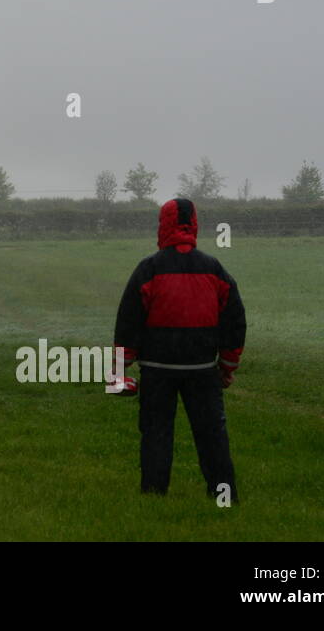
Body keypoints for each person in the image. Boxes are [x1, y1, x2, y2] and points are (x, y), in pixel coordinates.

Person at [112, 198, 246, 503]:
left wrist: (120, 369)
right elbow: (234, 320)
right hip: (202, 369)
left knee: (156, 433)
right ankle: (223, 496)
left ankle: (154, 496)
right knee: (212, 437)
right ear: (195, 225)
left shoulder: (149, 269)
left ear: (163, 225)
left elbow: (128, 321)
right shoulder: (214, 269)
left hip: (157, 369)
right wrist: (227, 366)